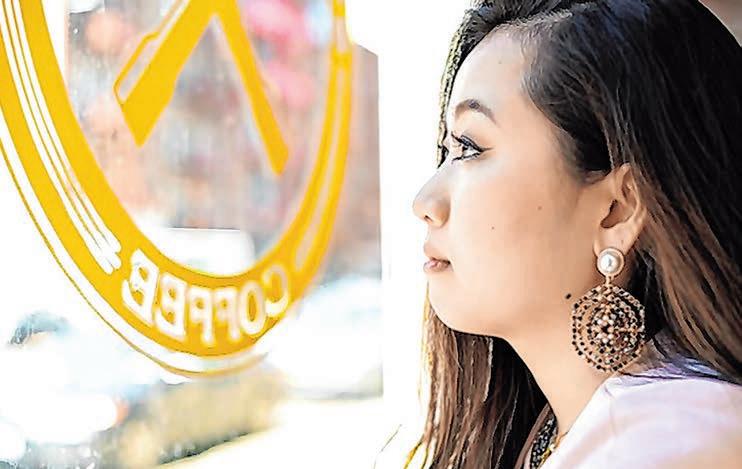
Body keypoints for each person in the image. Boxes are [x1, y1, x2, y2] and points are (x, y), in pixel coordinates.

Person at [408, 1, 742, 468]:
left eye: (470, 146)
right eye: (446, 150)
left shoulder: (676, 442)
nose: (424, 201)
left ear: (617, 211)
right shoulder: (559, 428)